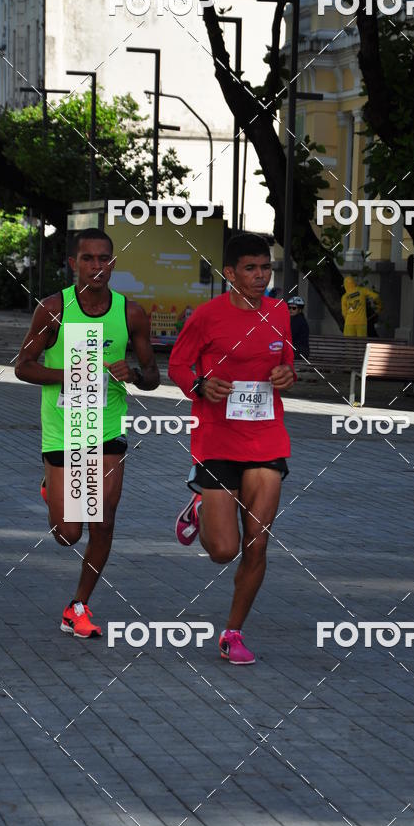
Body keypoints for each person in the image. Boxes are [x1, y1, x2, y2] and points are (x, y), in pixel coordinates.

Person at [15, 227, 160, 638]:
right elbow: (23, 366)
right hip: (64, 429)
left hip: (107, 426)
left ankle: (77, 606)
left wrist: (134, 374)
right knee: (68, 534)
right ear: (73, 264)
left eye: (104, 259)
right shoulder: (53, 309)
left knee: (104, 521)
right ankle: (52, 487)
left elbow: (153, 377)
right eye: (88, 259)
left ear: (113, 264)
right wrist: (70, 374)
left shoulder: (130, 313)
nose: (97, 266)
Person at [168, 233, 296, 665]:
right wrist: (201, 385)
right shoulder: (207, 316)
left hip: (266, 438)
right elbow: (178, 365)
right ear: (230, 273)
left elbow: (288, 363)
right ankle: (201, 505)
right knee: (224, 550)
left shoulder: (279, 312)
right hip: (218, 438)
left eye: (266, 268)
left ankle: (233, 633)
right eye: (251, 268)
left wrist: (286, 375)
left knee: (257, 544)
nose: (261, 276)